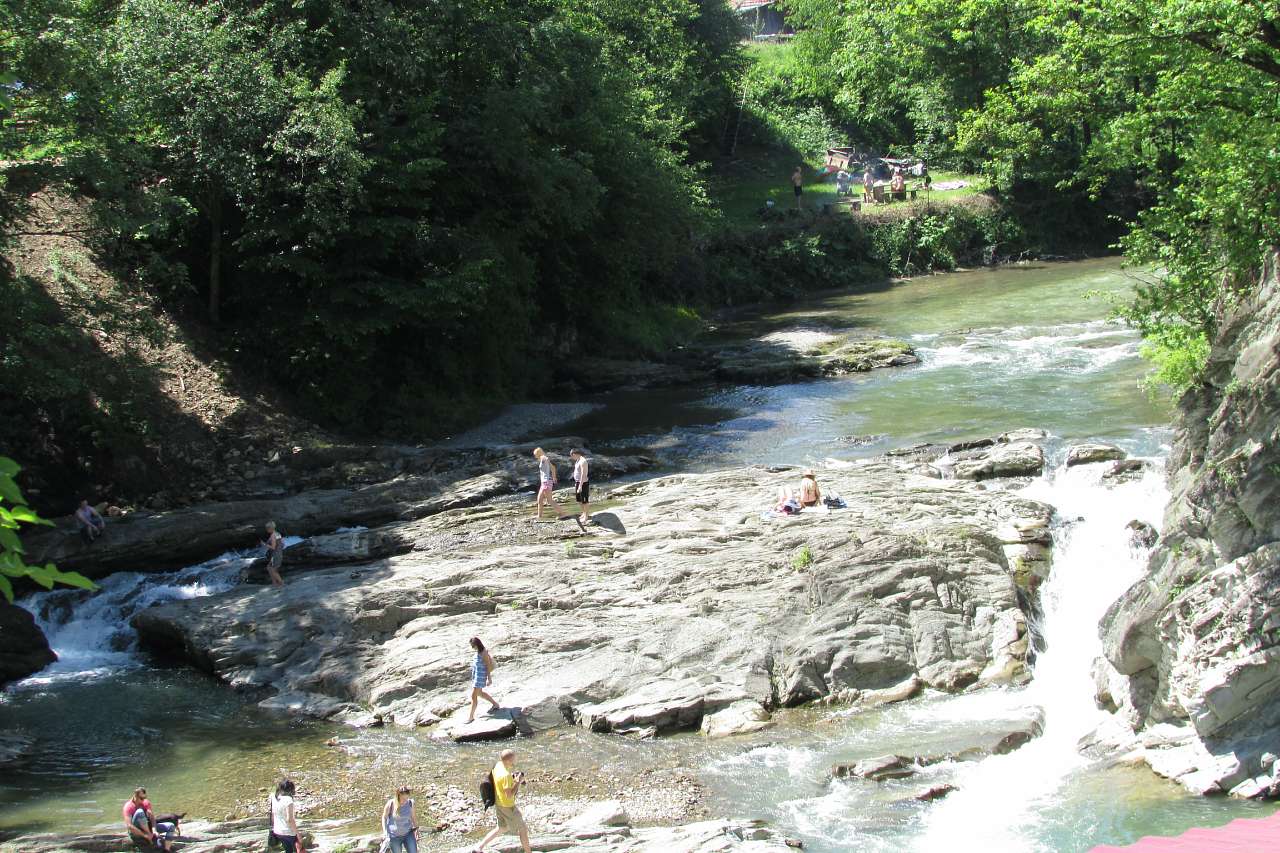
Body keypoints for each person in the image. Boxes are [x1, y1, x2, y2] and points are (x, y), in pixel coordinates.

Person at [473, 749, 531, 853]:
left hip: (499, 803)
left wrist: (513, 778)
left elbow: (501, 785)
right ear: (509, 760)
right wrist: (517, 782)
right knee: (523, 829)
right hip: (508, 806)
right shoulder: (505, 775)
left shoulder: (498, 765)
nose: (515, 760)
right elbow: (509, 795)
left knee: (502, 828)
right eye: (514, 758)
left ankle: (479, 847)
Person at [123, 787, 175, 851]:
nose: (143, 800)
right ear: (135, 796)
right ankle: (149, 834)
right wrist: (146, 835)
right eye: (141, 798)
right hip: (136, 831)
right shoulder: (128, 806)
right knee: (140, 812)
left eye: (145, 798)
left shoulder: (145, 802)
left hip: (148, 827)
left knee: (171, 826)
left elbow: (152, 817)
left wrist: (154, 830)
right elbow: (129, 826)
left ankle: (167, 850)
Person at [465, 637, 499, 724]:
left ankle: (471, 717)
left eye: (473, 646)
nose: (472, 648)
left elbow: (488, 666)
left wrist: (489, 678)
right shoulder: (478, 652)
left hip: (480, 678)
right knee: (480, 694)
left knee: (474, 696)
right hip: (476, 677)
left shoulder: (484, 653)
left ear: (477, 644)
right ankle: (495, 704)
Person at [382, 785, 419, 853]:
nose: (405, 800)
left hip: (408, 833)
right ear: (398, 796)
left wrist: (416, 830)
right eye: (403, 798)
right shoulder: (391, 804)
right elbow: (384, 818)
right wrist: (385, 832)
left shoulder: (410, 803)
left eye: (406, 797)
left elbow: (413, 817)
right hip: (394, 837)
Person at [269, 778, 302, 853]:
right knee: (298, 849)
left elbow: (273, 816)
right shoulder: (288, 800)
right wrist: (298, 834)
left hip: (277, 831)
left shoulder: (274, 797)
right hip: (288, 832)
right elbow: (290, 820)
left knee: (288, 850)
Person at [532, 447, 557, 521]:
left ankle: (563, 513)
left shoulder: (543, 458)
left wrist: (553, 477)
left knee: (549, 500)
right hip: (544, 482)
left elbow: (547, 461)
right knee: (539, 499)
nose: (535, 456)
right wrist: (554, 477)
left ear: (538, 453)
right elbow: (553, 468)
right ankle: (539, 516)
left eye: (535, 454)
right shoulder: (542, 459)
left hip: (546, 481)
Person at [260, 520, 285, 587]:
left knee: (273, 570)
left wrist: (264, 544)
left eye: (267, 528)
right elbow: (282, 544)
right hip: (279, 553)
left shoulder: (273, 536)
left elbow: (273, 547)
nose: (266, 530)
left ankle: (281, 583)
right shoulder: (278, 534)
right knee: (269, 567)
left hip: (275, 554)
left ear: (270, 528)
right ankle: (274, 582)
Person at [570, 448, 590, 525]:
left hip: (583, 483)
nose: (572, 458)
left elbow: (583, 474)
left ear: (574, 454)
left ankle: (586, 516)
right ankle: (583, 513)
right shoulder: (578, 460)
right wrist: (577, 483)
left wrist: (580, 486)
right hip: (578, 482)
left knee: (584, 500)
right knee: (579, 500)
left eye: (572, 456)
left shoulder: (583, 461)